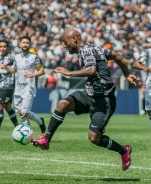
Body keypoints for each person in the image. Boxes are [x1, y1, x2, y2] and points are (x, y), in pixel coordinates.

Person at [33, 29, 141, 171]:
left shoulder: (85, 51)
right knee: (63, 104)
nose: (65, 46)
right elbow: (117, 56)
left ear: (75, 39)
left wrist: (68, 73)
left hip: (104, 99)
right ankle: (46, 139)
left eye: (66, 42)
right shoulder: (94, 48)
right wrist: (127, 75)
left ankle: (123, 151)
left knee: (94, 138)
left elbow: (91, 70)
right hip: (90, 94)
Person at [2, 35, 46, 133]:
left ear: (29, 45)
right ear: (20, 44)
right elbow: (14, 70)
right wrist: (6, 68)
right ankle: (27, 134)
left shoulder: (34, 57)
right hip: (18, 88)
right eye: (23, 42)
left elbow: (42, 71)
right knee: (21, 113)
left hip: (28, 88)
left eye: (27, 43)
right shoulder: (16, 57)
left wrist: (32, 74)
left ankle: (39, 123)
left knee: (25, 112)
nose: (25, 44)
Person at [132, 48, 151, 121]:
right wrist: (144, 68)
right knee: (149, 112)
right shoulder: (148, 51)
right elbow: (135, 64)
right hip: (149, 85)